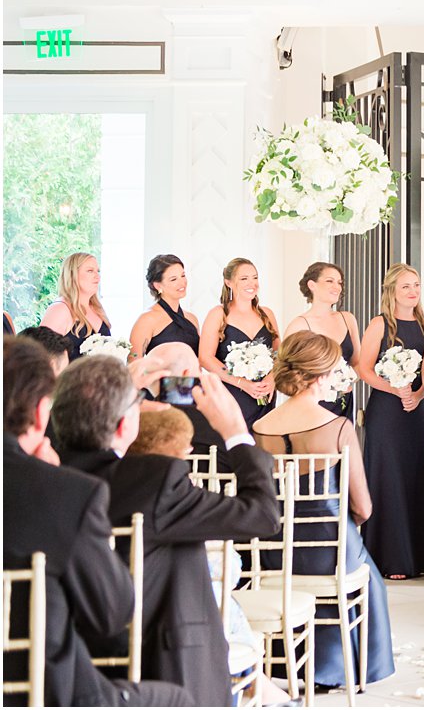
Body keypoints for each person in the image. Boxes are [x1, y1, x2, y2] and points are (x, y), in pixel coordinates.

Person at [51, 346, 280, 706]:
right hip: (163, 663)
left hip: (68, 655)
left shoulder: (46, 481)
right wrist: (235, 431)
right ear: (126, 425)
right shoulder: (153, 481)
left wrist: (120, 388)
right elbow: (263, 515)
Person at [3, 337, 194, 706]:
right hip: (42, 691)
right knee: (178, 700)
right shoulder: (64, 493)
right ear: (43, 412)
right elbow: (112, 614)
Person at [252, 332, 396, 690]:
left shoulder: (259, 428)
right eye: (334, 370)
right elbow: (362, 507)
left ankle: (291, 664)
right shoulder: (337, 427)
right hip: (329, 551)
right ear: (319, 375)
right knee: (369, 575)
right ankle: (344, 667)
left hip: (275, 552)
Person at [353, 263, 424, 581]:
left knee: (416, 475)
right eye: (406, 287)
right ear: (392, 291)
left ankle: (422, 555)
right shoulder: (379, 324)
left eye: (416, 285)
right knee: (388, 478)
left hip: (417, 409)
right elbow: (364, 368)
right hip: (386, 412)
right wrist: (396, 389)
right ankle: (391, 558)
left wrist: (418, 393)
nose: (413, 291)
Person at [128, 254, 217, 449]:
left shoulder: (192, 319)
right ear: (157, 285)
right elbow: (135, 364)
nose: (182, 282)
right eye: (173, 279)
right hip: (159, 396)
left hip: (192, 395)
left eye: (183, 276)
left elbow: (198, 361)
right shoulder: (147, 319)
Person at [199, 257, 280, 427]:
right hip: (232, 394)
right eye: (244, 278)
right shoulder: (218, 314)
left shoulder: (267, 314)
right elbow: (205, 358)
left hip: (264, 395)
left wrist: (272, 378)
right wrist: (242, 383)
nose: (252, 283)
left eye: (255, 277)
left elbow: (279, 354)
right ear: (228, 283)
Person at [286, 262, 363, 421]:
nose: (337, 286)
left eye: (339, 282)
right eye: (330, 281)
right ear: (312, 285)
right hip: (313, 406)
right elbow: (286, 373)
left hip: (344, 402)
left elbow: (357, 363)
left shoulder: (347, 319)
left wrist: (345, 381)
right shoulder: (299, 325)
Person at [39, 252, 111, 361]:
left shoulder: (97, 308)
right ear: (72, 275)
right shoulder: (60, 309)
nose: (97, 276)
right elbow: (41, 356)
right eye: (90, 271)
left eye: (98, 271)